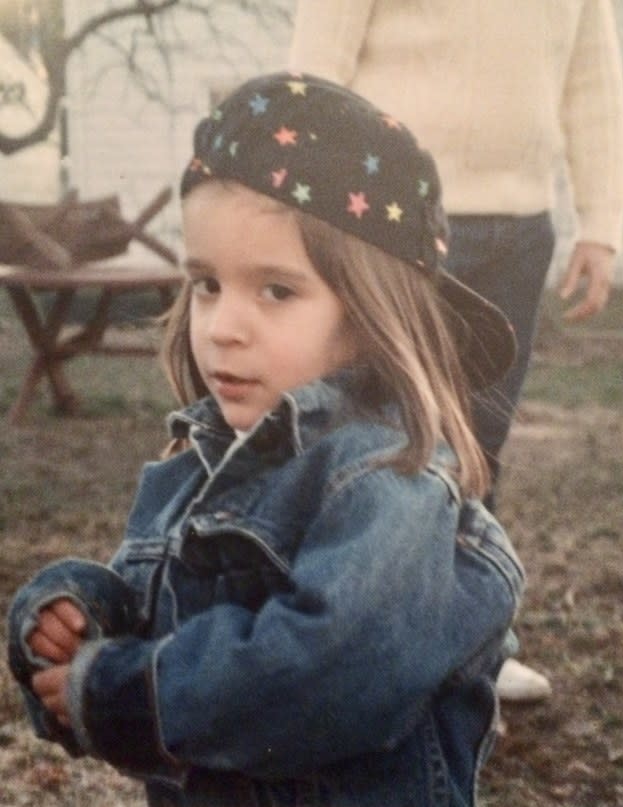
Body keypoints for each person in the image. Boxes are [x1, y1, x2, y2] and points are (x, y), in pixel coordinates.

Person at [8, 72, 524, 807]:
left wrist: (122, 695)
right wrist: (80, 613)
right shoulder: (201, 458)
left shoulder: (386, 477)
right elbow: (158, 609)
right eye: (206, 284)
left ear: (370, 313)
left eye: (275, 290)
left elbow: (328, 673)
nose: (220, 324)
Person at [289, 0, 623, 702]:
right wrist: (310, 205)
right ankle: (348, 638)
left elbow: (593, 80)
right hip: (388, 220)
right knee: (381, 435)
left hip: (522, 226)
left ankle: (475, 648)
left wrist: (600, 221)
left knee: (478, 443)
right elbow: (318, 66)